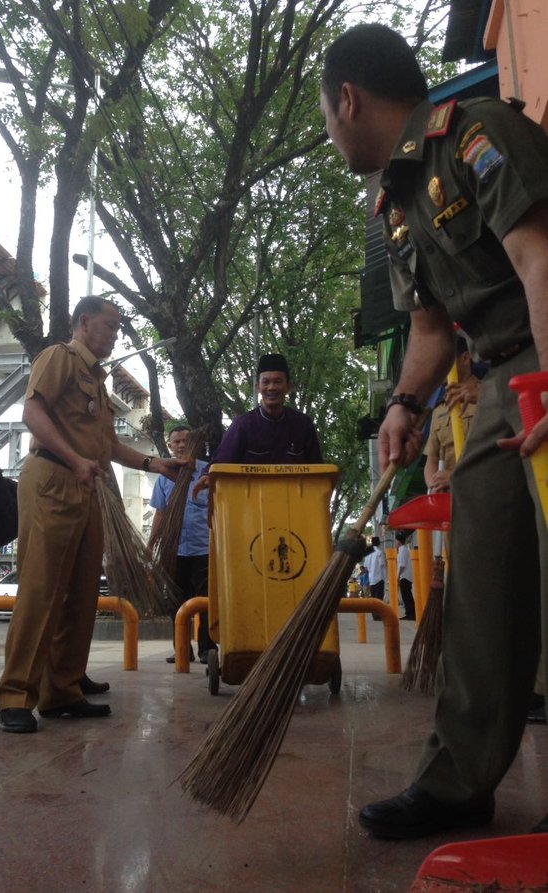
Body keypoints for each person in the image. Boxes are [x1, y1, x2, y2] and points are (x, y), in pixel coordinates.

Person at [321, 22, 548, 838]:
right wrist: (402, 407)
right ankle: (458, 781)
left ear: (348, 98)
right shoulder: (398, 205)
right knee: (484, 583)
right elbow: (430, 329)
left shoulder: (477, 134)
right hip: (494, 385)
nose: (329, 132)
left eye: (326, 114)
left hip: (543, 357)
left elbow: (538, 257)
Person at [0, 296, 184, 734]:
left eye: (118, 327)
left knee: (81, 592)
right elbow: (33, 411)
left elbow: (107, 446)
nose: (116, 334)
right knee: (42, 590)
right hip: (54, 480)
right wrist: (75, 460)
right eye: (111, 325)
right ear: (84, 323)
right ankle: (16, 695)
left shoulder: (97, 381)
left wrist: (154, 464)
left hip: (88, 485)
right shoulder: (58, 357)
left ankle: (61, 691)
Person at [194, 353, 322, 496]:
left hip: (295, 503)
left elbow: (318, 470)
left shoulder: (303, 424)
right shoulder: (242, 425)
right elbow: (221, 462)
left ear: (288, 387)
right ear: (258, 387)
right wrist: (207, 476)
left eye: (278, 381)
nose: (271, 387)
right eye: (266, 382)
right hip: (252, 505)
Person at [148, 426, 217, 665]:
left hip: (204, 549)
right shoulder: (164, 477)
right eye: (175, 441)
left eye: (184, 441)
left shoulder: (208, 473)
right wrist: (150, 546)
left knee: (206, 600)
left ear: (194, 444)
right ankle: (182, 649)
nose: (180, 445)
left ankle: (207, 649)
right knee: (174, 601)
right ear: (169, 446)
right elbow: (160, 514)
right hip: (174, 550)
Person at [424, 336, 480, 492]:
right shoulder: (439, 410)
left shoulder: (488, 394)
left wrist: (457, 476)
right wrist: (434, 484)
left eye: (444, 363)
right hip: (452, 499)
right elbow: (432, 459)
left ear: (465, 358)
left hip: (484, 490)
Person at [363, 535, 387, 620]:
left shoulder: (368, 554)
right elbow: (382, 564)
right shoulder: (379, 553)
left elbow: (365, 567)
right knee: (379, 599)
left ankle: (374, 616)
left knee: (373, 598)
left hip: (371, 579)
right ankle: (379, 615)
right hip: (379, 578)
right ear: (379, 543)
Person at [395, 530, 415, 621]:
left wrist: (398, 576)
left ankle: (411, 613)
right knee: (407, 595)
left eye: (395, 541)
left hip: (404, 576)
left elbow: (402, 565)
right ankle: (410, 613)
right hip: (406, 576)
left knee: (406, 596)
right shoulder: (403, 550)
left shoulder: (402, 550)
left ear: (398, 541)